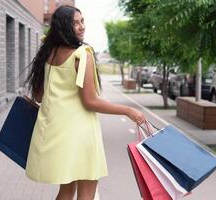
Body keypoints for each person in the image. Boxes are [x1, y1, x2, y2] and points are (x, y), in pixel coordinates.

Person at [24, 5, 146, 200]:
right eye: (75, 23)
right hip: (80, 134)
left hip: (57, 133)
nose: (81, 27)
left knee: (65, 191)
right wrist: (128, 110)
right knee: (86, 193)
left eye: (82, 21)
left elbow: (38, 97)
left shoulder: (48, 54)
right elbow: (90, 101)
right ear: (64, 26)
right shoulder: (82, 54)